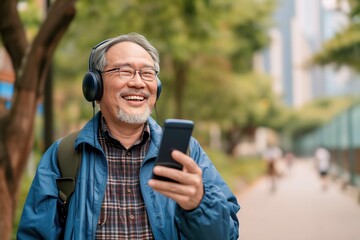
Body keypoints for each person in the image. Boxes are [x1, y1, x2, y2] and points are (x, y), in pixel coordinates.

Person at [17, 33, 240, 239]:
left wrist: (199, 204)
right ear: (95, 86)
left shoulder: (186, 153)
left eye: (147, 73)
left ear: (157, 87)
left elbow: (227, 234)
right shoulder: (64, 155)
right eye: (124, 71)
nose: (138, 82)